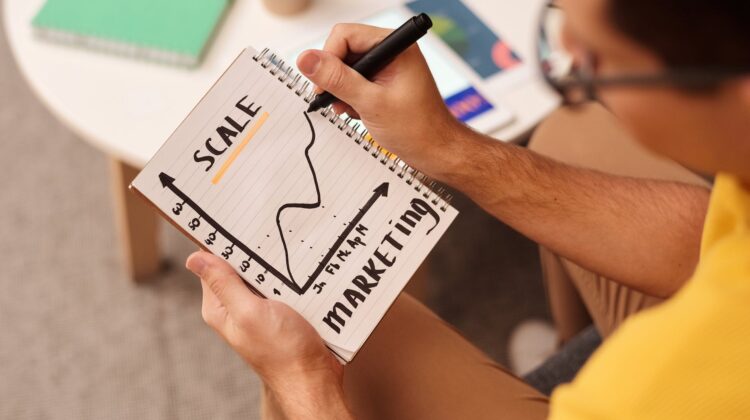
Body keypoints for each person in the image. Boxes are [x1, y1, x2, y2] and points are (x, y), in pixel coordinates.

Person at [184, 0, 750, 418]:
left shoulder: (664, 389)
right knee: (572, 129)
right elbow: (712, 242)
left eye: (596, 62)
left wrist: (302, 382)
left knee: (330, 333)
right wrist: (447, 147)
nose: (570, 63)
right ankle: (574, 349)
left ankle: (568, 372)